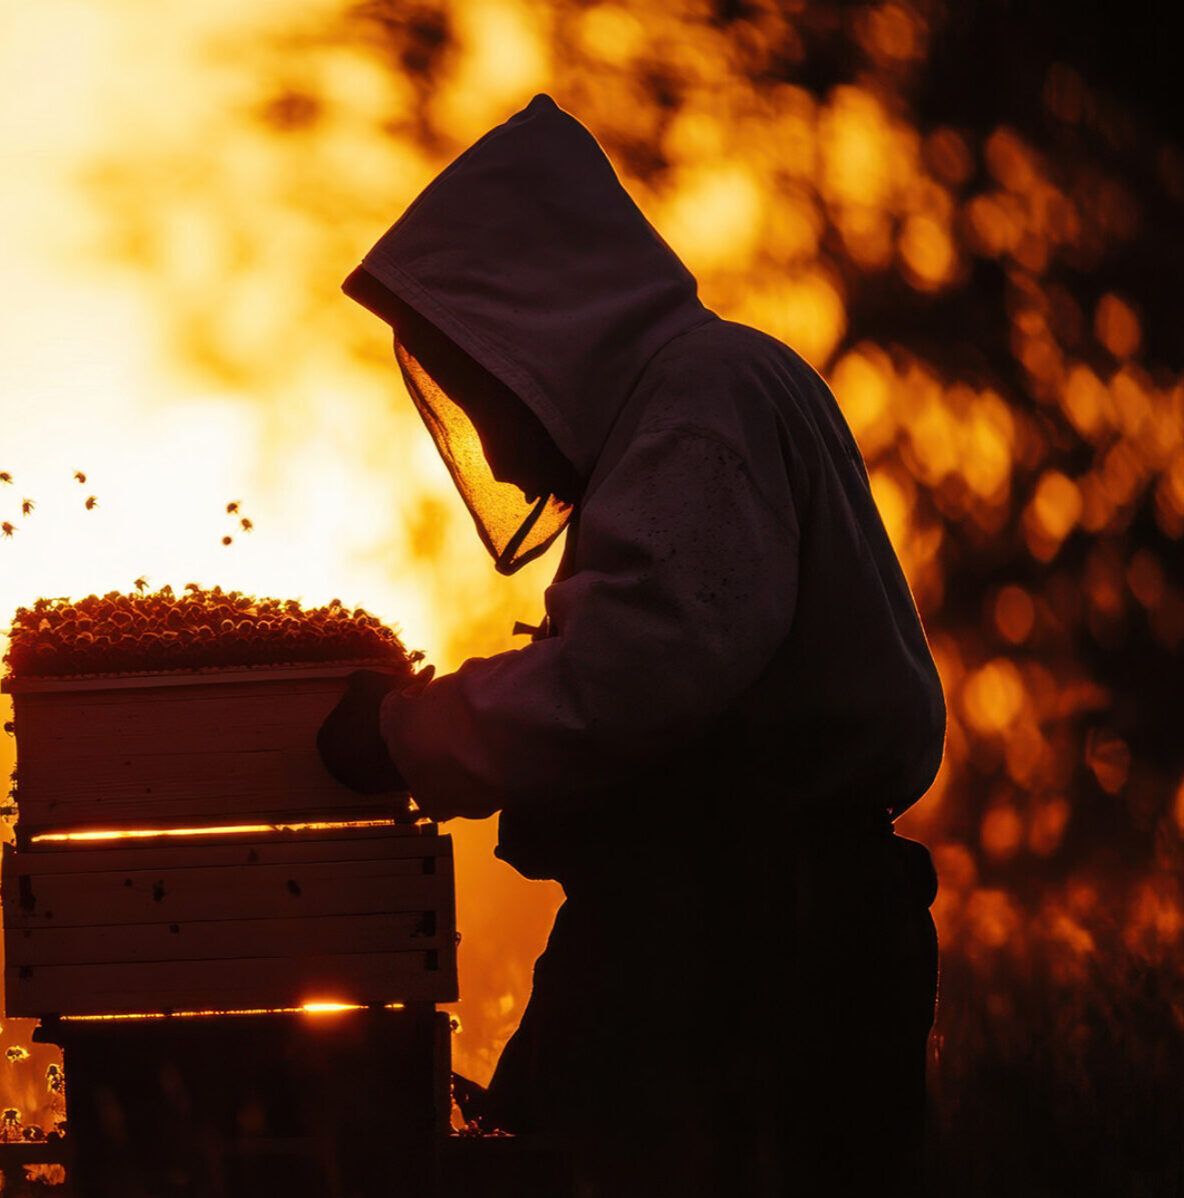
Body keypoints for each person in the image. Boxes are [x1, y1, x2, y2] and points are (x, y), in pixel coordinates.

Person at [315, 94, 944, 1198]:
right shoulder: (709, 393)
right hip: (719, 916)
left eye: (483, 391)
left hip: (753, 939)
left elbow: (630, 671)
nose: (500, 455)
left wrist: (406, 734)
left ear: (543, 332)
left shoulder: (701, 401)